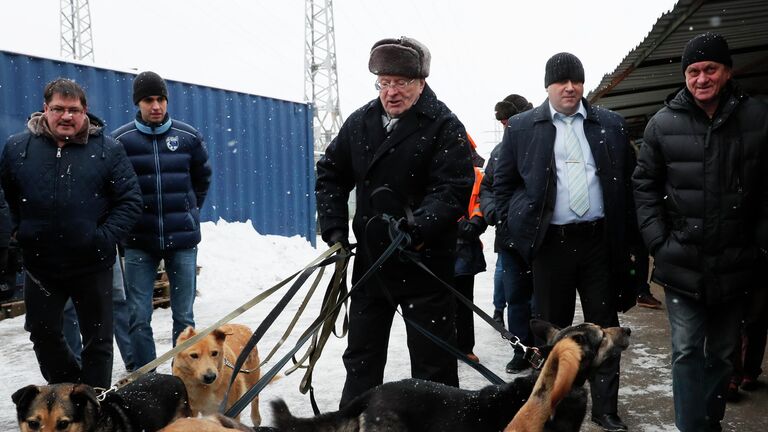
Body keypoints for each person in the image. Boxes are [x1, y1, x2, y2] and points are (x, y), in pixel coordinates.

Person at [315, 36, 474, 408]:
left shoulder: (444, 125)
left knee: (433, 368)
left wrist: (418, 226)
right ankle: (355, 424)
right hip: (372, 267)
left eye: (400, 83)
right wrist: (335, 227)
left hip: (424, 265)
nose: (391, 92)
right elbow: (330, 173)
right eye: (384, 82)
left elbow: (452, 189)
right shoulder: (360, 122)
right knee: (361, 363)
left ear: (421, 83)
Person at [494, 53, 638, 432]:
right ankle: (552, 403)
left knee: (604, 328)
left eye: (576, 80)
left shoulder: (609, 124)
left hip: (597, 243)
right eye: (561, 82)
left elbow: (629, 179)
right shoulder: (524, 127)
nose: (570, 87)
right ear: (548, 86)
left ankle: (605, 410)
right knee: (552, 333)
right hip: (551, 246)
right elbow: (501, 183)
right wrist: (512, 222)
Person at [632, 32, 768, 432]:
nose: (701, 78)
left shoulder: (758, 118)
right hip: (682, 260)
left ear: (727, 72)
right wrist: (659, 242)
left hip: (737, 262)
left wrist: (760, 246)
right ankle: (694, 427)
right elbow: (644, 187)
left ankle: (708, 421)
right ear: (685, 76)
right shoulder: (662, 123)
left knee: (724, 356)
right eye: (693, 71)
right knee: (687, 350)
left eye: (710, 69)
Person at [0, 78, 142, 389]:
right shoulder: (17, 149)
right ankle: (71, 391)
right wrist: (15, 237)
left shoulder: (108, 150)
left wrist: (103, 238)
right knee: (42, 332)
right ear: (45, 110)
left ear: (85, 112)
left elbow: (130, 201)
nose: (66, 116)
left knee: (98, 340)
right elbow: (6, 199)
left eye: (74, 110)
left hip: (91, 264)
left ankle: (95, 402)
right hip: (41, 266)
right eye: (58, 109)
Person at [112, 71, 212, 370]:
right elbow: (113, 187)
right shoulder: (121, 140)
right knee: (138, 316)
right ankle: (148, 381)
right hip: (139, 243)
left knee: (184, 318)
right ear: (138, 103)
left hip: (182, 241)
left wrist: (190, 212)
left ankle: (182, 379)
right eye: (148, 100)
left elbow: (201, 179)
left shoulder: (188, 137)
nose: (155, 106)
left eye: (160, 99)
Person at [479, 94, 535, 373]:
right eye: (502, 122)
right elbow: (486, 187)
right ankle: (522, 350)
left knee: (544, 301)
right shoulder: (499, 152)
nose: (505, 126)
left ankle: (547, 352)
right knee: (517, 299)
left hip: (544, 238)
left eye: (508, 120)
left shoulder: (544, 143)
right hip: (510, 241)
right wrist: (493, 212)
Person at [62, 251, 134, 372]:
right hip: (65, 247)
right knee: (67, 307)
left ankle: (131, 357)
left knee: (117, 299)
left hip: (103, 245)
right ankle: (75, 365)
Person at [454, 134, 487, 363]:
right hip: (436, 243)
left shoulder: (478, 176)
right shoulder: (434, 170)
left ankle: (465, 348)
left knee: (463, 301)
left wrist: (472, 223)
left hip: (465, 246)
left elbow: (481, 205)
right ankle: (445, 346)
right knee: (437, 302)